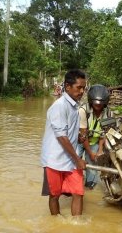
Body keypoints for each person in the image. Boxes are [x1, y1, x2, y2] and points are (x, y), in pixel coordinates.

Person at [41, 69, 87, 216]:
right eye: (78, 87)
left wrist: (78, 137)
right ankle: (56, 223)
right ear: (67, 86)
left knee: (78, 193)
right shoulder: (60, 106)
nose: (81, 91)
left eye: (83, 88)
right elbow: (61, 136)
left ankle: (76, 225)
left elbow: (67, 132)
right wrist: (78, 159)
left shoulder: (74, 106)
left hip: (71, 159)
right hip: (54, 159)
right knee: (54, 195)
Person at [76, 84, 111, 189]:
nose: (98, 106)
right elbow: (83, 134)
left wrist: (99, 150)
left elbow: (103, 133)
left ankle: (89, 184)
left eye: (101, 104)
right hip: (79, 140)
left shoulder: (108, 113)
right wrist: (90, 152)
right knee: (75, 159)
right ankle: (73, 183)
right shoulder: (82, 111)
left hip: (95, 141)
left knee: (93, 164)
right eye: (96, 103)